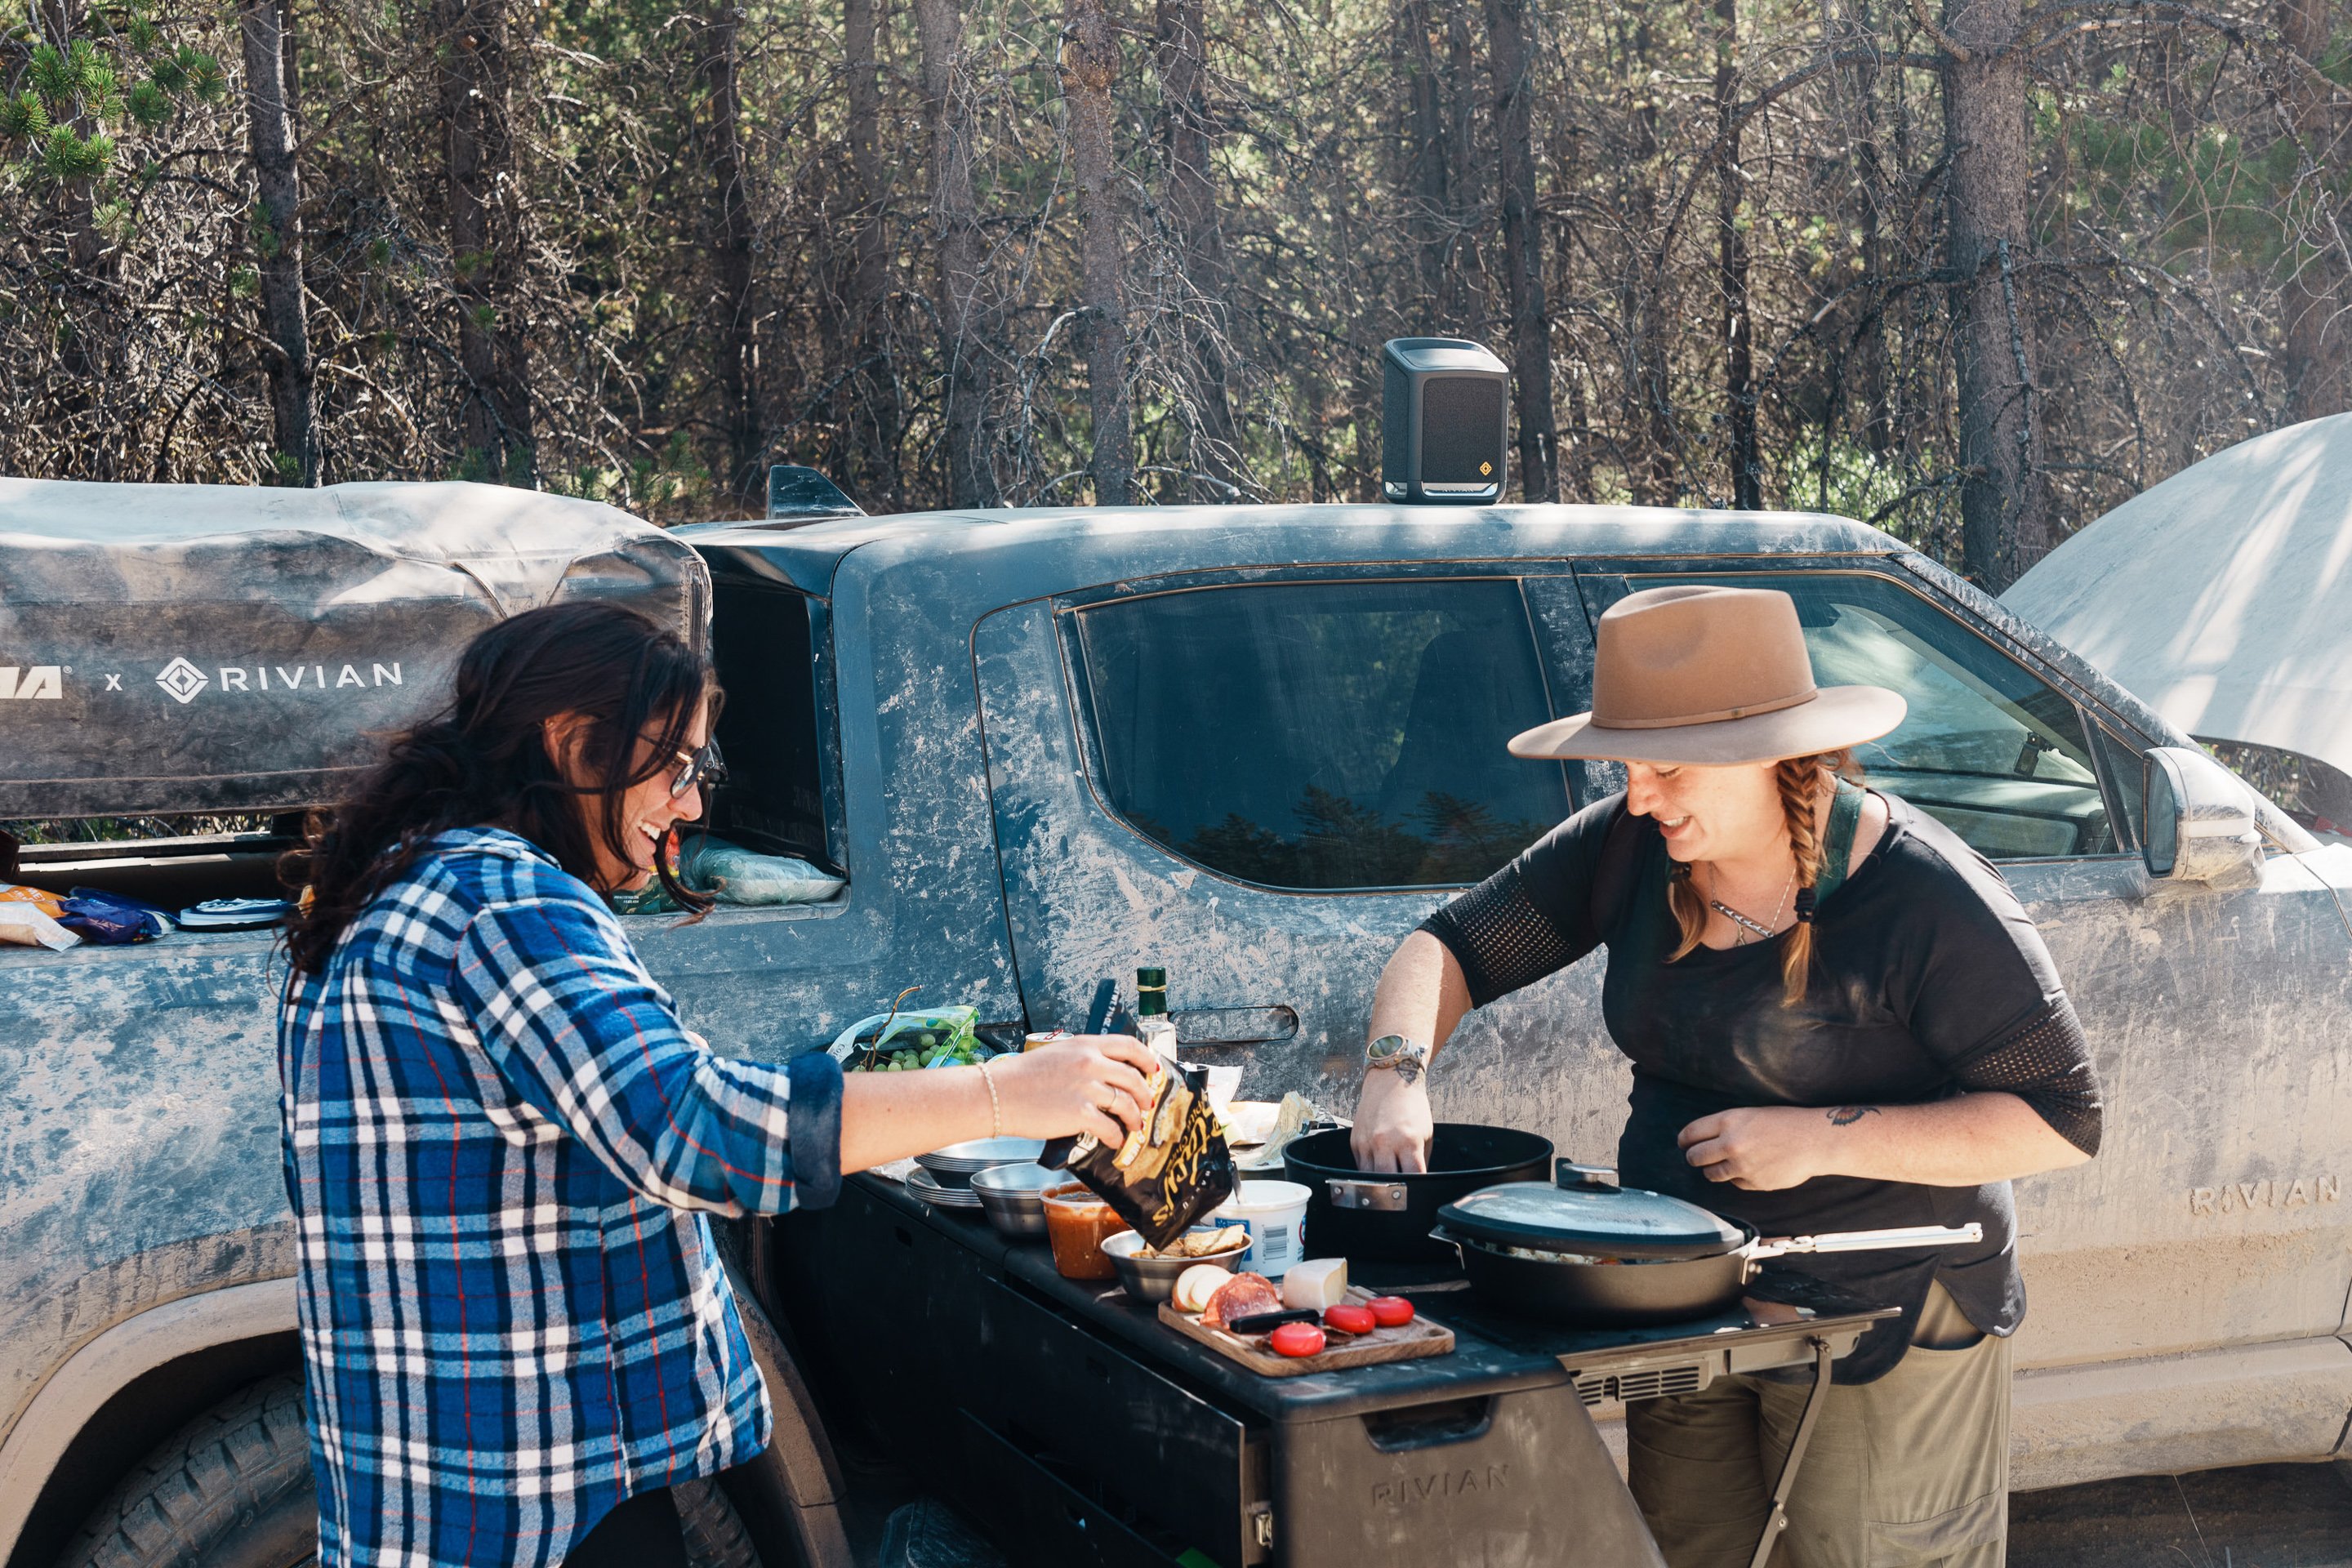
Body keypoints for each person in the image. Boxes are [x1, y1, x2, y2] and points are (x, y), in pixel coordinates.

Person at [278, 602, 1158, 1568]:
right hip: (537, 1498)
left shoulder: (395, 883)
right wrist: (1008, 1091)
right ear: (572, 744)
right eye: (675, 763)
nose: (691, 805)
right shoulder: (504, 900)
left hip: (438, 1481)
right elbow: (692, 1129)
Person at [1351, 585, 2102, 1568]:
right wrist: (1395, 1072)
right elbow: (1447, 947)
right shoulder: (1632, 849)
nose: (1639, 796)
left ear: (1769, 756)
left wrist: (1824, 1137)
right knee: (1693, 1549)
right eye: (1624, 767)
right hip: (1683, 1306)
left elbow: (2061, 1119)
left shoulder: (1926, 897)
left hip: (1880, 1307)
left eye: (1665, 770)